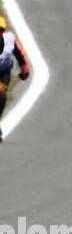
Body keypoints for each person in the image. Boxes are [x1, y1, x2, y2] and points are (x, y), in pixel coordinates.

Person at [0, 15, 33, 144]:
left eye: (0, 30)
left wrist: (25, 69)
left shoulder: (10, 39)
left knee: (1, 94)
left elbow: (19, 53)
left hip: (3, 72)